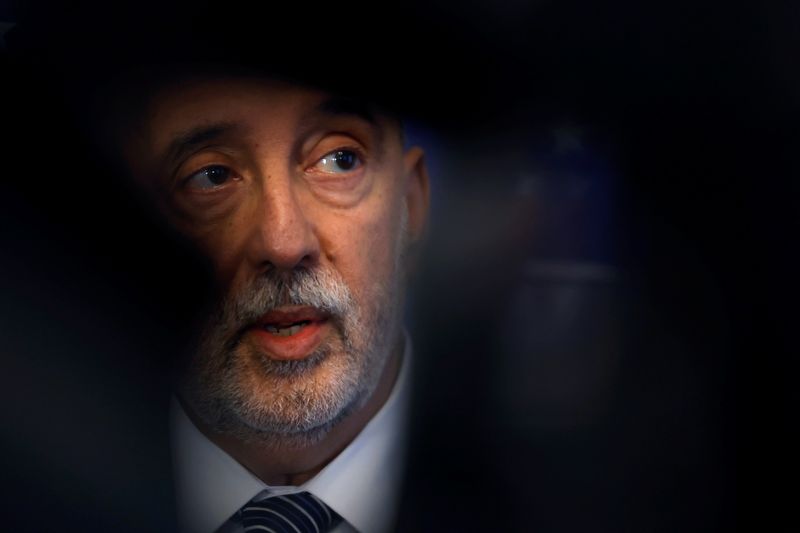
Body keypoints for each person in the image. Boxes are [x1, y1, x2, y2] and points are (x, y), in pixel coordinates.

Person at [110, 68, 430, 533]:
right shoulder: (42, 491)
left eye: (340, 159)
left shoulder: (553, 491)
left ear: (412, 206)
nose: (283, 243)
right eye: (211, 176)